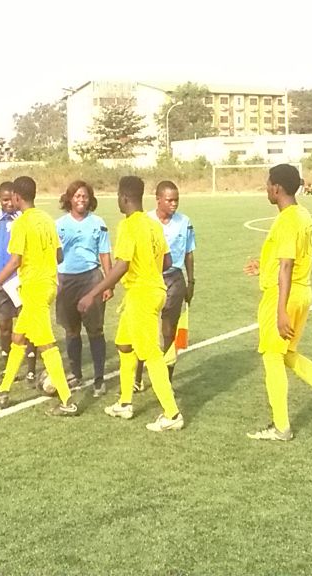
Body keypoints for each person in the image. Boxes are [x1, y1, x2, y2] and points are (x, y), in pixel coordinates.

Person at [244, 164, 312, 441]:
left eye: (268, 184)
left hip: (283, 295)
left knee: (272, 357)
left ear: (276, 188)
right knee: (287, 354)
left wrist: (280, 310)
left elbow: (287, 265)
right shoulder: (303, 214)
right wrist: (264, 266)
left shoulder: (287, 220)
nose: (266, 189)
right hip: (302, 291)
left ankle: (281, 427)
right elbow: (289, 259)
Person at [77, 176, 182, 431]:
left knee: (150, 353)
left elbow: (122, 264)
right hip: (151, 291)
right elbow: (168, 261)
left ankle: (172, 414)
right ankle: (125, 403)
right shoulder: (153, 224)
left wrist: (93, 293)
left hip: (142, 294)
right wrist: (148, 268)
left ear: (123, 197)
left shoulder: (129, 225)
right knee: (124, 345)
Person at [0, 176, 77, 416]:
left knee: (46, 344)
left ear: (16, 197)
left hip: (34, 289)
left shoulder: (21, 224)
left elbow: (15, 262)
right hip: (49, 284)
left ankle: (67, 401)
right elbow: (59, 256)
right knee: (18, 337)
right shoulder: (47, 219)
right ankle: (3, 391)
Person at [55, 180, 112, 396]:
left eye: (85, 196)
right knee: (71, 330)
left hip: (91, 279)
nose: (81, 200)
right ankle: (76, 374)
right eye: (77, 196)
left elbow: (104, 253)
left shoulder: (98, 223)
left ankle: (99, 379)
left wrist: (108, 283)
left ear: (90, 199)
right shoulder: (59, 225)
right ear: (69, 199)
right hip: (66, 280)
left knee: (95, 330)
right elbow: (53, 255)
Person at [0, 182, 36, 383]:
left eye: (11, 199)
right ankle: (8, 367)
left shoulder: (23, 220)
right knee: (4, 325)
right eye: (4, 200)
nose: (9, 203)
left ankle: (31, 368)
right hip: (0, 281)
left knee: (26, 324)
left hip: (19, 280)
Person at [142, 180, 194, 390]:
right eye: (169, 200)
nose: (174, 204)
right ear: (158, 200)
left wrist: (191, 281)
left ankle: (166, 377)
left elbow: (189, 252)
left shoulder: (184, 222)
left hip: (174, 278)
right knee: (144, 328)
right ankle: (137, 378)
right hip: (150, 279)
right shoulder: (145, 221)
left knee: (169, 330)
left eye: (176, 200)